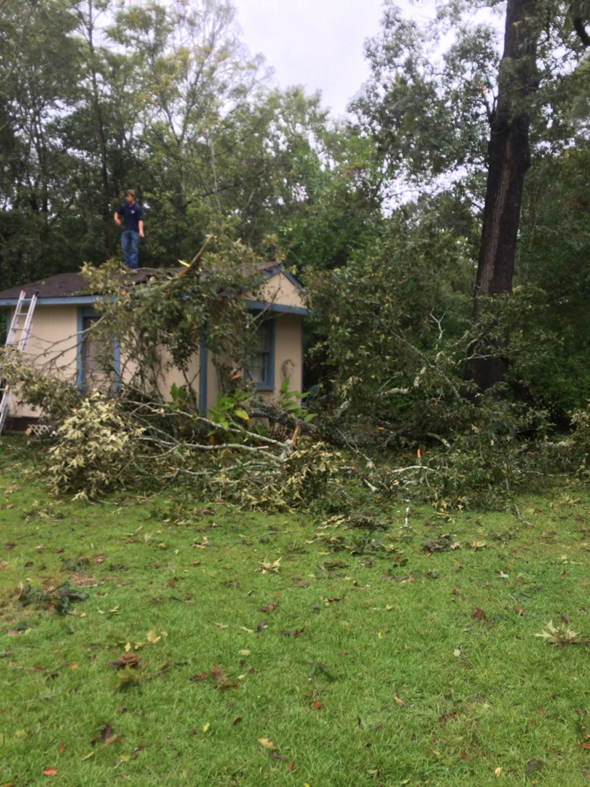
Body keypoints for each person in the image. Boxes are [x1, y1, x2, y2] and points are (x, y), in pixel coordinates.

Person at [114, 189, 144, 269]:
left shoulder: (137, 208)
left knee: (134, 249)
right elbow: (117, 212)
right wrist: (116, 219)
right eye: (126, 197)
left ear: (132, 197)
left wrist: (141, 231)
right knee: (124, 248)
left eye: (128, 196)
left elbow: (140, 220)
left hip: (134, 231)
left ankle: (133, 267)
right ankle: (127, 266)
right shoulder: (124, 207)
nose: (127, 198)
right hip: (126, 230)